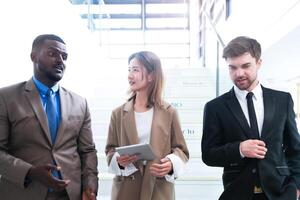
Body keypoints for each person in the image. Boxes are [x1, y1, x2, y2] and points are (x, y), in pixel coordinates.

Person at [0, 34, 98, 200]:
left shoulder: (80, 103)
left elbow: (87, 151)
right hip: (23, 193)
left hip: (69, 194)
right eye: (52, 54)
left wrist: (90, 184)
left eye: (64, 56)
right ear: (34, 57)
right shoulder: (6, 97)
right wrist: (30, 172)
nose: (60, 60)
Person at [201, 36, 300, 200]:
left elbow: (295, 149)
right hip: (236, 193)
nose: (239, 73)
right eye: (232, 68)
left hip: (280, 193)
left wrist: (296, 187)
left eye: (246, 66)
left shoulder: (283, 100)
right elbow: (208, 155)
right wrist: (239, 149)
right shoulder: (215, 107)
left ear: (258, 63)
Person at [105, 51, 189, 200]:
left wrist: (171, 163)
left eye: (135, 70)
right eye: (129, 70)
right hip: (126, 190)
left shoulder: (169, 112)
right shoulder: (117, 114)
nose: (130, 75)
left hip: (158, 189)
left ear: (151, 75)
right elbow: (110, 151)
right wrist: (118, 160)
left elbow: (181, 151)